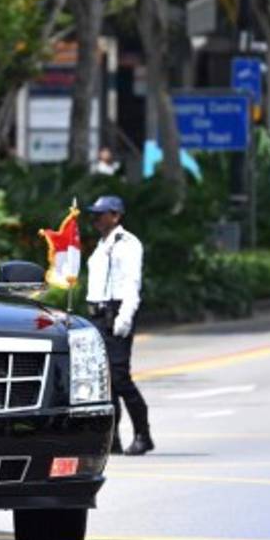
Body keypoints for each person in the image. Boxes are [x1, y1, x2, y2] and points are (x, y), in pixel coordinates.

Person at [86, 195, 153, 456]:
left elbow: (131, 283)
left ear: (116, 216)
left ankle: (143, 434)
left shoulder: (128, 244)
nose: (96, 218)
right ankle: (111, 438)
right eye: (95, 214)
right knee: (105, 382)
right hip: (97, 315)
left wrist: (125, 316)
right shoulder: (101, 245)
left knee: (120, 378)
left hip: (115, 313)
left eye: (101, 214)